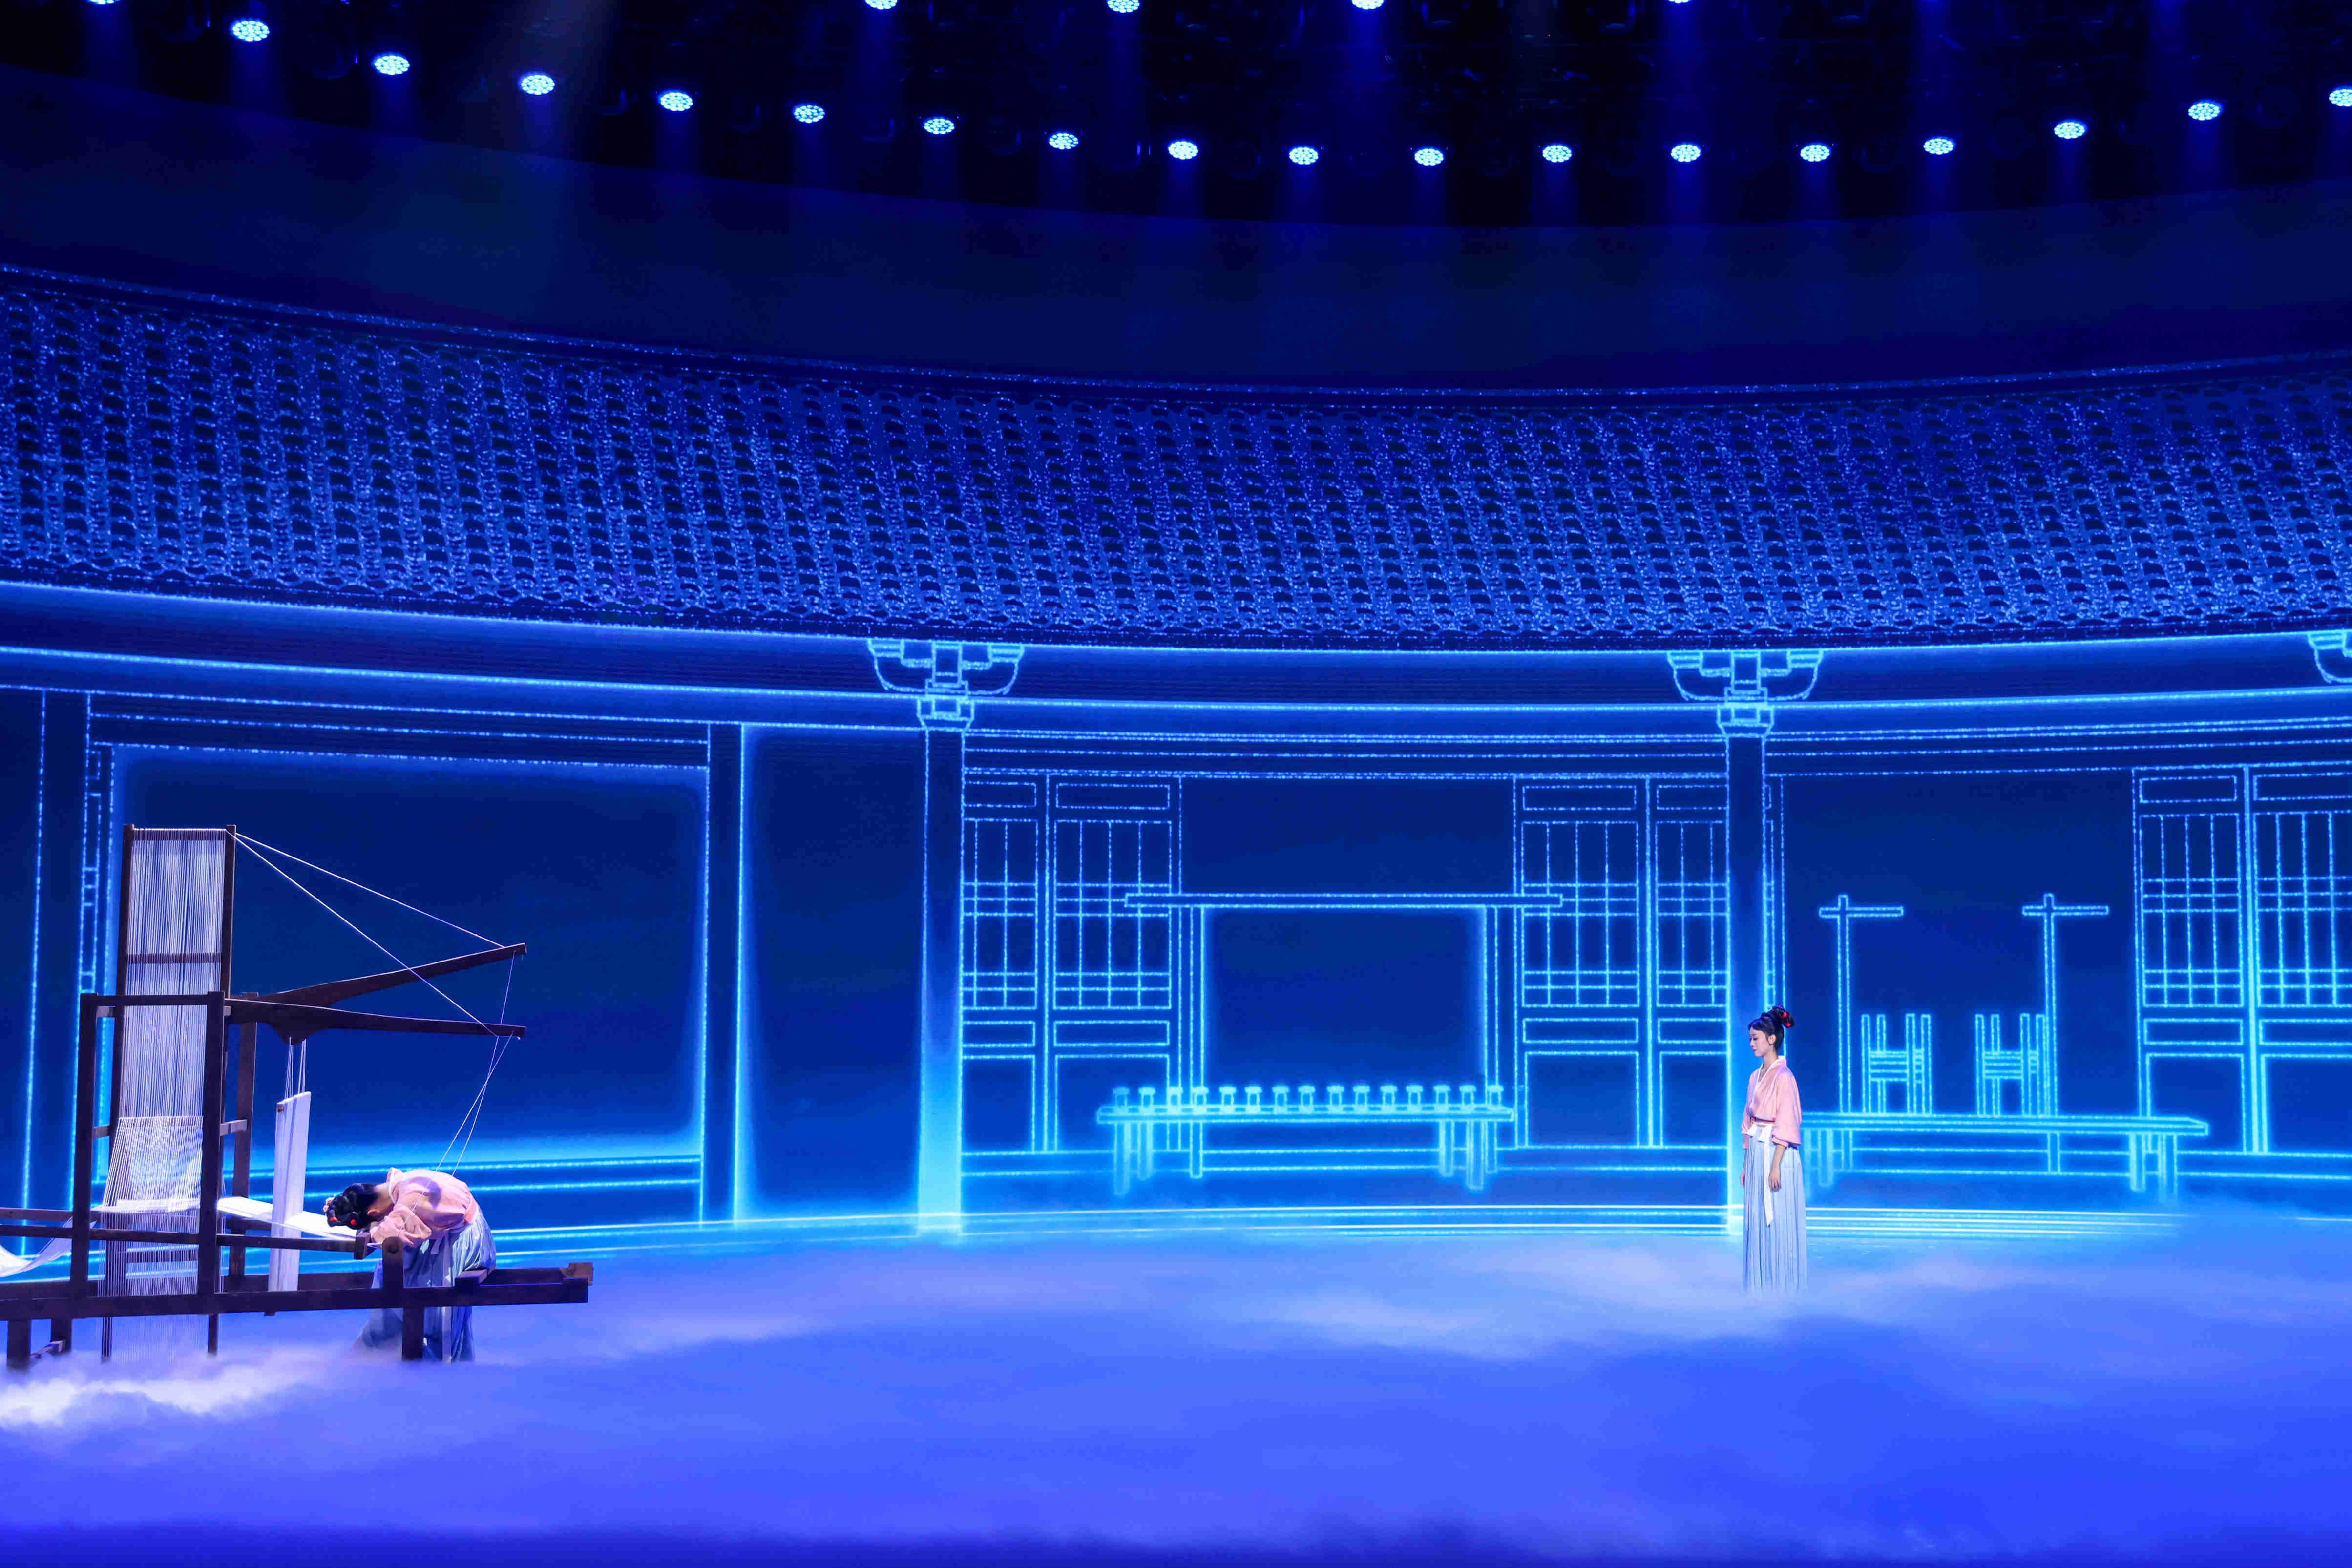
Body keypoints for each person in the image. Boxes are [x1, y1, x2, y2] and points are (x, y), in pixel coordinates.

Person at [325, 1168, 495, 1361]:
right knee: (389, 1275)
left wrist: (370, 1232)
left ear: (373, 1213)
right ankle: (381, 1344)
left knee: (433, 1308)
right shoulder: (403, 1183)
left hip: (464, 1243)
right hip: (445, 1240)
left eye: (376, 1220)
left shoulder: (411, 1200)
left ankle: (428, 1357)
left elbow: (388, 1234)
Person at [1740, 1006, 1806, 1296]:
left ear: (1771, 1039)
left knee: (1779, 1217)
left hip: (1777, 1153)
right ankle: (1760, 1285)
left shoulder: (1784, 1076)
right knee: (1758, 1217)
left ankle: (1783, 1285)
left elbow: (1787, 1121)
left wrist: (1776, 1164)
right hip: (1758, 1151)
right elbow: (1748, 1120)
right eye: (1750, 1039)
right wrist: (1747, 1163)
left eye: (1756, 1039)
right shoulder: (1755, 1077)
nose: (1752, 1044)